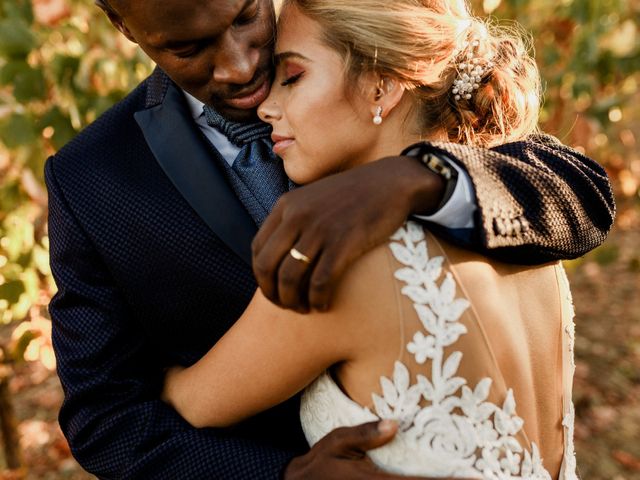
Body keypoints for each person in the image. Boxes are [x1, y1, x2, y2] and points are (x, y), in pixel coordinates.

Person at [45, 0, 613, 478]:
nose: (243, 69)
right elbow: (105, 417)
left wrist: (416, 176)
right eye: (189, 49)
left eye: (245, 16)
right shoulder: (92, 180)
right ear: (125, 27)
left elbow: (585, 190)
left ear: (383, 87)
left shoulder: (326, 31)